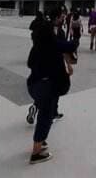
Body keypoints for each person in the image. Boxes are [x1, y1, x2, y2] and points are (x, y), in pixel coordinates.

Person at [26, 9, 77, 164]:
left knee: (46, 113)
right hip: (46, 86)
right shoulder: (54, 45)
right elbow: (69, 47)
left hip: (34, 84)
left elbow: (30, 63)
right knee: (46, 117)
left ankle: (40, 142)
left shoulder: (37, 48)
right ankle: (36, 152)